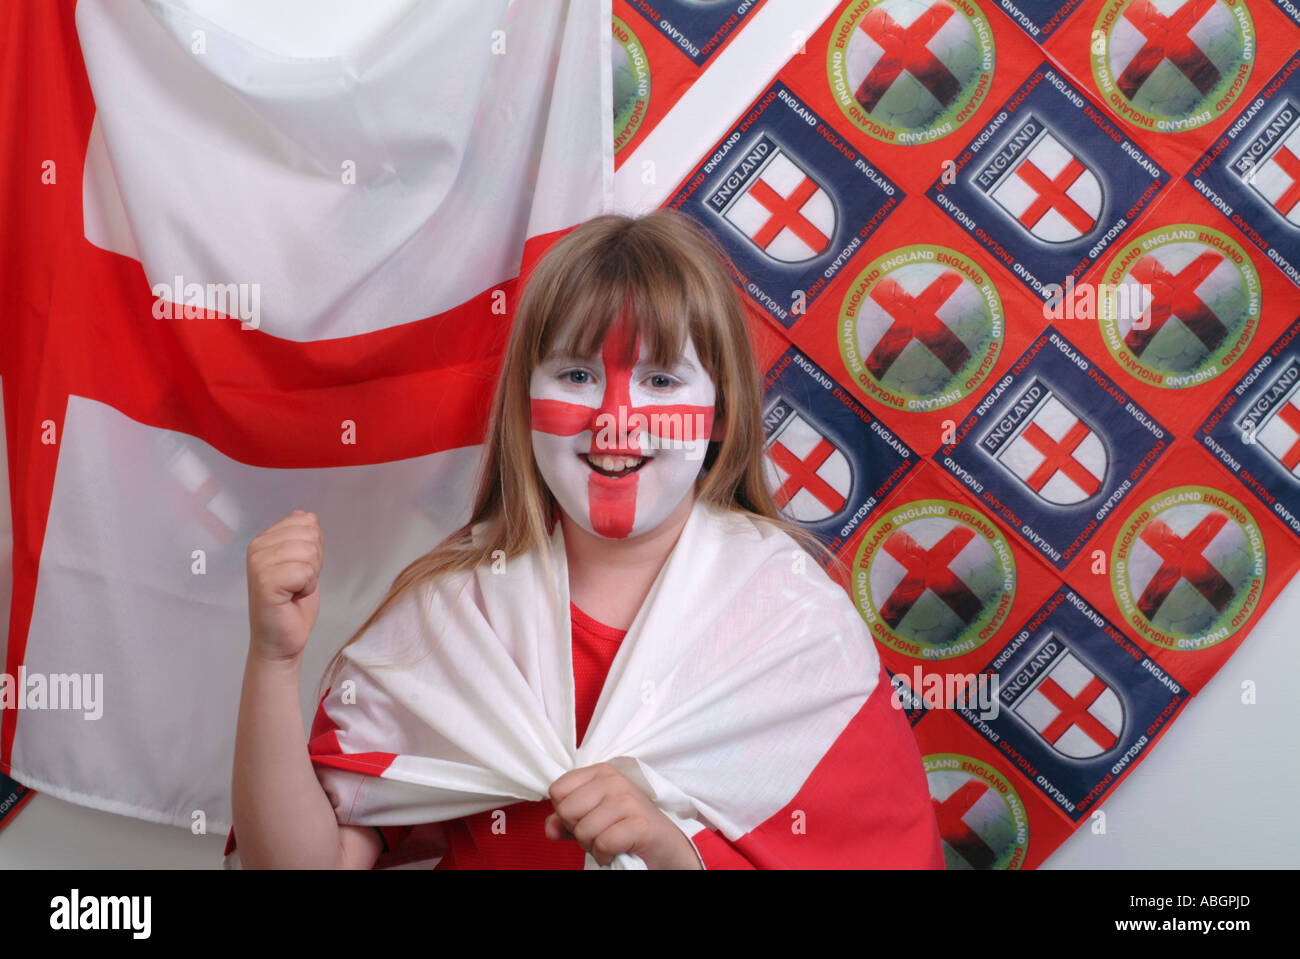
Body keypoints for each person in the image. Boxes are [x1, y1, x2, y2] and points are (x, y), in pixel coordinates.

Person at [228, 209, 943, 869]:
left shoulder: (793, 625)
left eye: (661, 378)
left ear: (720, 411)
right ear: (525, 400)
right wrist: (274, 661)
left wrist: (676, 853)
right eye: (576, 374)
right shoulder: (453, 612)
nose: (616, 418)